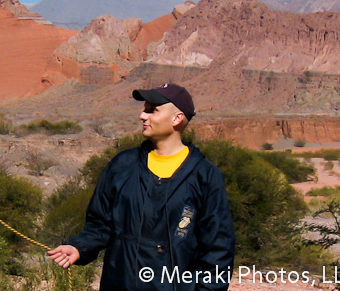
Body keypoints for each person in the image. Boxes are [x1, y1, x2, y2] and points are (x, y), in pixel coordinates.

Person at [48, 83, 235, 290]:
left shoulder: (205, 175)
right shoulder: (122, 165)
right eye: (144, 109)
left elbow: (218, 248)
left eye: (151, 110)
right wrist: (79, 247)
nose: (142, 116)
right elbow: (100, 224)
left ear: (177, 118)